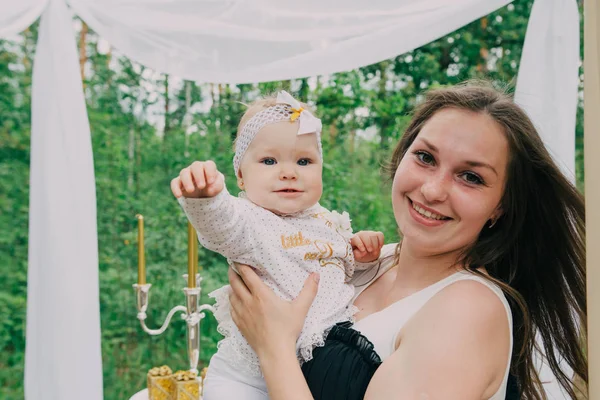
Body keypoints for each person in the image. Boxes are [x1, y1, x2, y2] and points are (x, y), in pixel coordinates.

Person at [227, 81, 588, 400]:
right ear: (402, 157)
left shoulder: (469, 311)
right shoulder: (361, 263)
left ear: (501, 206)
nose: (432, 190)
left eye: (471, 177)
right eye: (425, 157)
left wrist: (274, 348)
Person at [170, 90, 385, 400]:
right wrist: (205, 197)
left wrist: (364, 254)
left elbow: (343, 268)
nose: (289, 171)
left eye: (304, 160)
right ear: (241, 176)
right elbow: (221, 224)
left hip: (306, 371)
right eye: (269, 160)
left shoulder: (326, 222)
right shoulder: (250, 220)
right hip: (245, 377)